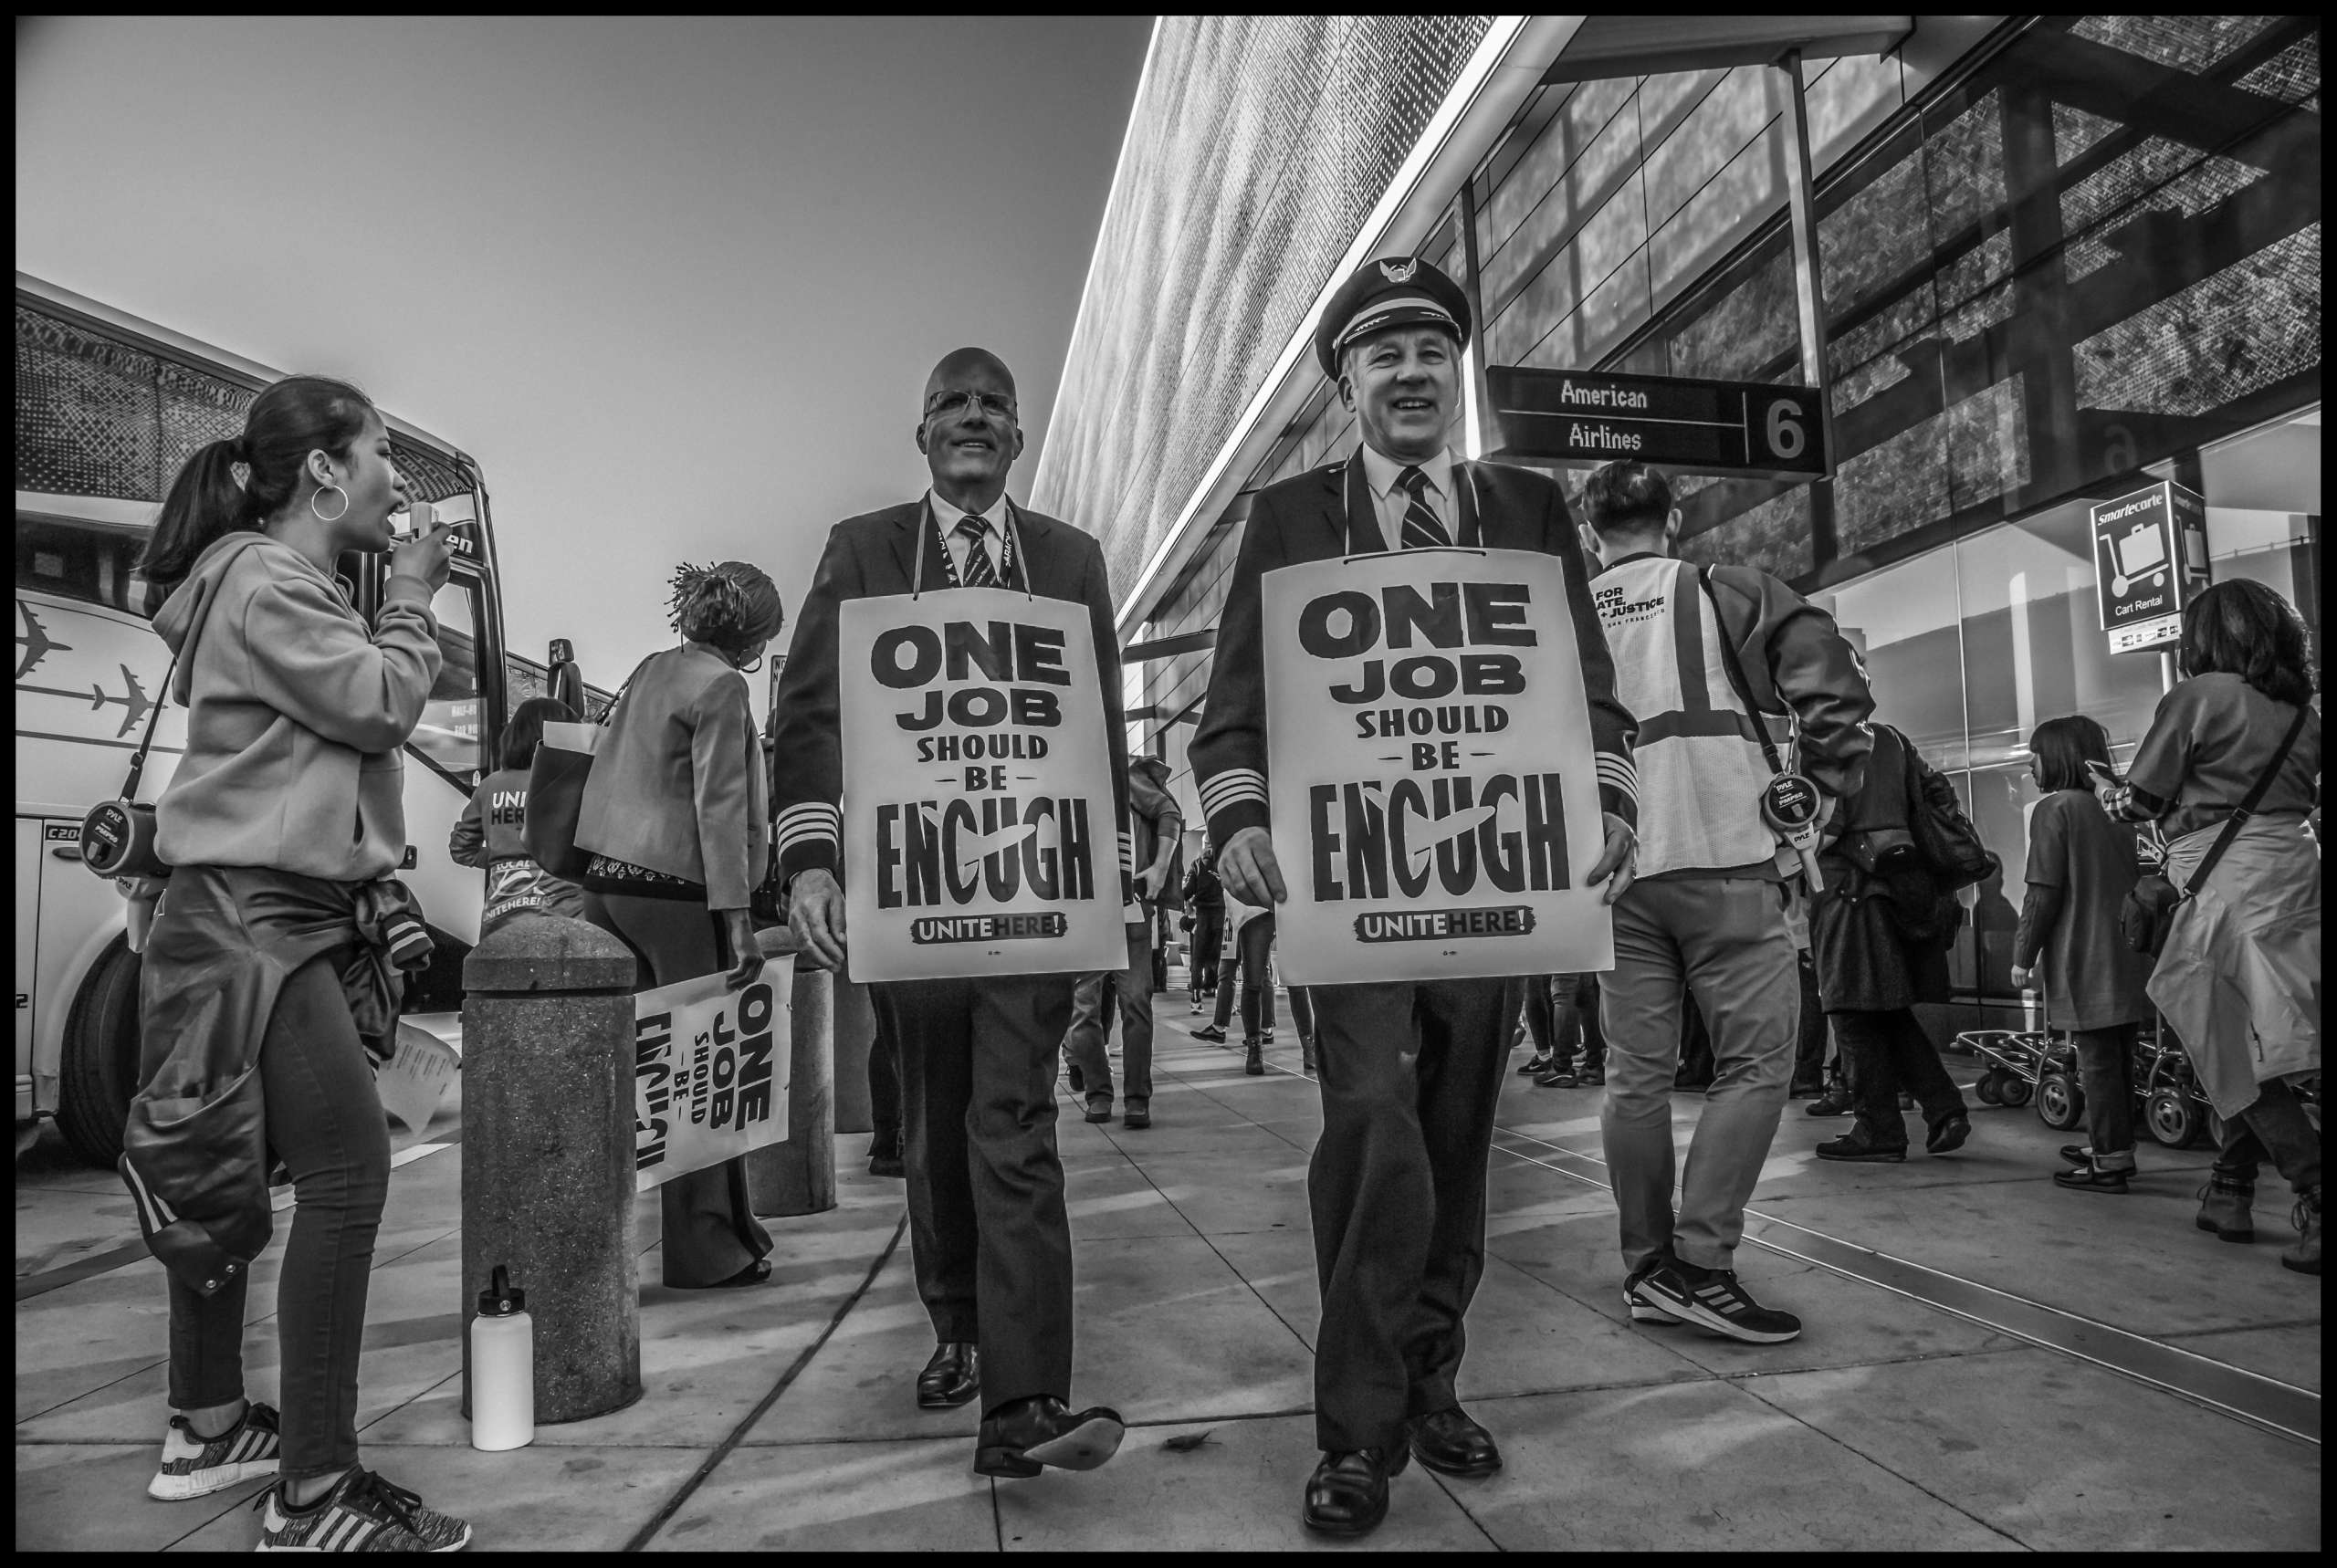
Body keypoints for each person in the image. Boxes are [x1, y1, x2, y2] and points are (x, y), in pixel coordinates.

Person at [1191, 256, 1640, 1536]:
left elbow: (1590, 685)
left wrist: (1606, 792)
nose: (1412, 374)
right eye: (1384, 355)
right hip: (1353, 898)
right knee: (1375, 1126)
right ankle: (1358, 1424)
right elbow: (1233, 717)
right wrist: (1237, 827)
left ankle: (1432, 1375)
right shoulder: (1290, 516)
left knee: (1454, 1140)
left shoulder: (1528, 506)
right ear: (1347, 386)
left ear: (1459, 374)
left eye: (1433, 351)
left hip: (1496, 890)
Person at [123, 376, 472, 1550]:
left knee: (222, 1170)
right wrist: (418, 594)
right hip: (253, 915)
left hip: (242, 914)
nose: (395, 483)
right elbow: (380, 702)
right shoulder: (269, 580)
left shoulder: (261, 582)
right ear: (323, 470)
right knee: (347, 1172)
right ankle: (316, 1489)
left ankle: (209, 1423)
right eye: (379, 453)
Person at [770, 348, 1131, 1477]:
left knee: (1014, 1123)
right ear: (921, 432)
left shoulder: (1069, 560)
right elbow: (812, 717)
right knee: (933, 1126)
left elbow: (1100, 730)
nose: (972, 418)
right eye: (951, 404)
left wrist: (1110, 878)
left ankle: (1026, 1398)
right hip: (907, 895)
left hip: (1030, 897)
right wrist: (813, 863)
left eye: (992, 405)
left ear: (1016, 436)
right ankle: (960, 1325)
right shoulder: (864, 547)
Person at [1575, 457, 1874, 1344]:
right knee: (1752, 1067)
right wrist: (1818, 789)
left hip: (1612, 871)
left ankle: (1646, 1268)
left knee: (1634, 1076)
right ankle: (1701, 1264)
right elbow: (1832, 688)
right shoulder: (1730, 590)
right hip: (1726, 854)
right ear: (1671, 518)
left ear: (1592, 530)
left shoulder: (1558, 617)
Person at [576, 560, 783, 1290]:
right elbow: (719, 807)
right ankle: (708, 1248)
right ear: (756, 635)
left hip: (608, 885)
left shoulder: (653, 669)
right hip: (677, 893)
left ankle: (718, 1230)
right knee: (705, 1070)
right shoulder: (724, 686)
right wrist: (738, 921)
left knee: (653, 1073)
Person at [2103, 580, 2321, 1272]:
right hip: (2294, 872)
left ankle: (2315, 1190)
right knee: (2254, 1032)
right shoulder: (2303, 712)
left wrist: (2113, 793)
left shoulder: (2198, 698)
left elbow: (2142, 801)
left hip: (2222, 885)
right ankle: (2229, 1189)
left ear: (2205, 639)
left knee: (2225, 1040)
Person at [1809, 723, 1974, 1164]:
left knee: (1851, 1015)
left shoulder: (1821, 739)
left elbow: (1825, 824)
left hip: (1849, 893)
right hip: (1902, 885)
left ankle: (1878, 1128)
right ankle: (1944, 1109)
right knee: (1887, 1011)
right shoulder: (1893, 738)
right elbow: (1939, 791)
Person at [2008, 716, 2154, 1193]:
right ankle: (2111, 1143)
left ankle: (2110, 1161)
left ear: (2059, 756)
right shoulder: (2116, 809)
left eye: (2036, 753)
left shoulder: (2054, 810)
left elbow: (2042, 893)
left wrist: (2022, 955)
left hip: (2084, 952)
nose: (2031, 764)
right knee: (2119, 1055)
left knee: (2097, 1063)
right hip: (2130, 950)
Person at [1063, 755, 1182, 1126]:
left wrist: (1160, 867)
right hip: (1086, 907)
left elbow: (1169, 812)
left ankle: (1132, 1099)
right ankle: (1103, 1094)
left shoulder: (1117, 771)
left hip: (1129, 903)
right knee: (1085, 1010)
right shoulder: (1074, 769)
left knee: (1131, 1004)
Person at [448, 695, 586, 936]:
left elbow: (461, 850)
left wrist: (501, 859)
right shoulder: (570, 783)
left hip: (501, 920)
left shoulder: (489, 786)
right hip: (565, 917)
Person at [1183, 841, 1225, 1009]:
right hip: (1221, 914)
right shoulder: (1225, 862)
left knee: (1197, 959)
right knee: (1220, 958)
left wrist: (1185, 899)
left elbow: (1188, 890)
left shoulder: (1197, 864)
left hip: (1201, 916)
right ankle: (1219, 995)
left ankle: (1196, 1001)